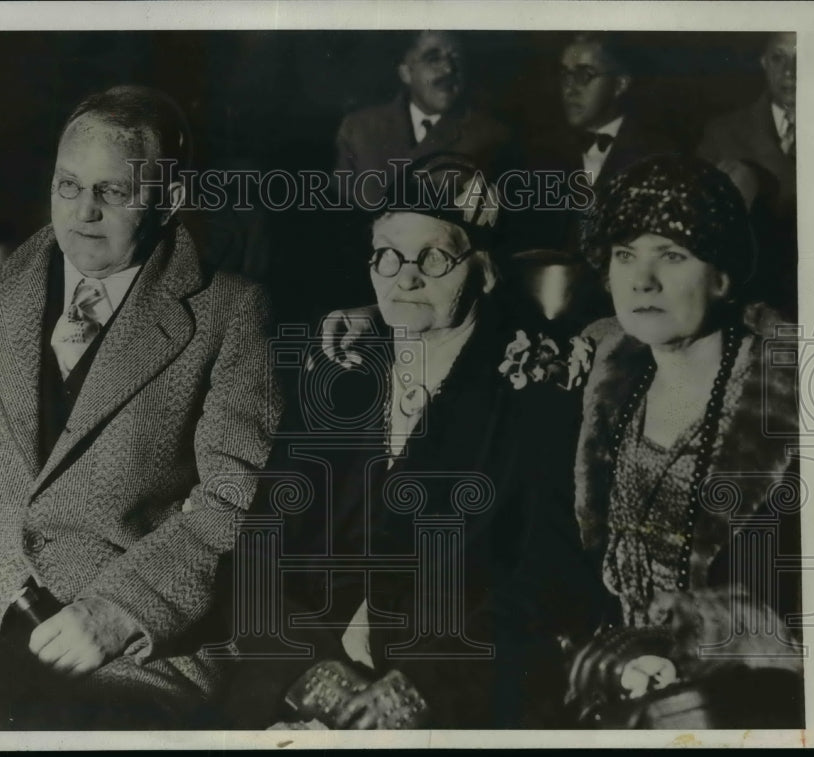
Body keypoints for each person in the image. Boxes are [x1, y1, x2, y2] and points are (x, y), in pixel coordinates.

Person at [0, 85, 281, 730]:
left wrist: (123, 610)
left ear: (169, 200)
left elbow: (235, 498)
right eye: (68, 186)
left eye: (113, 192)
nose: (83, 213)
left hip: (126, 656)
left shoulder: (230, 314)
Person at [216, 156, 600, 729]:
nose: (406, 276)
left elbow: (545, 577)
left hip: (449, 690)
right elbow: (258, 552)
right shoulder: (341, 376)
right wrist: (314, 674)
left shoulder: (529, 387)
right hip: (304, 673)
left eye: (435, 257)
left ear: (486, 272)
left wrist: (422, 689)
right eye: (388, 255)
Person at [569, 153, 802, 727]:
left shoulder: (794, 404)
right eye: (625, 256)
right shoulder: (609, 378)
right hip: (611, 682)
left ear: (722, 276)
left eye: (671, 256)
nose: (642, 281)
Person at [517, 33, 676, 258]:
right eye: (565, 75)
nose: (570, 88)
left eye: (585, 75)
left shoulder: (659, 155)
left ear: (620, 84)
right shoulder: (537, 153)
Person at [335, 31, 511, 209]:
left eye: (455, 58)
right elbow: (340, 212)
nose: (449, 69)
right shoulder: (359, 129)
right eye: (433, 58)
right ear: (406, 73)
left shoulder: (491, 135)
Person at [697, 32, 797, 316]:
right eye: (779, 58)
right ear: (763, 62)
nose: (791, 71)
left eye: (805, 58)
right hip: (752, 306)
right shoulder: (723, 133)